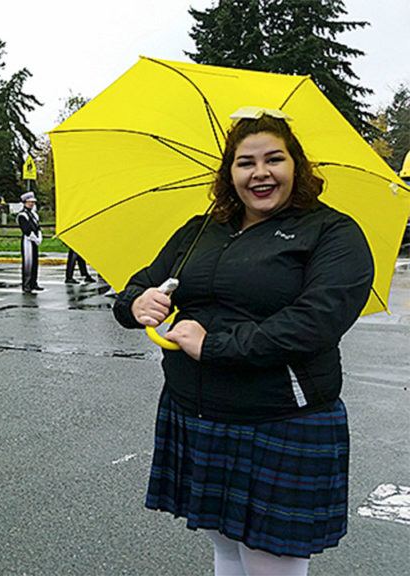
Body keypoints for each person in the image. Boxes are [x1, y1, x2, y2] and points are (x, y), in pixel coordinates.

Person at [112, 112, 373, 576]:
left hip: (279, 418)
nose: (260, 173)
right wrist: (137, 303)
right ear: (229, 173)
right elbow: (140, 285)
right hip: (196, 411)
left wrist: (214, 346)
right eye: (245, 162)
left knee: (270, 559)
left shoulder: (332, 232)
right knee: (226, 546)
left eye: (274, 159)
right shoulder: (199, 230)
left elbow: (314, 323)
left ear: (298, 166)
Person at [16, 192, 43, 294]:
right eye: (29, 202)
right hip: (28, 240)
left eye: (33, 202)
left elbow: (37, 227)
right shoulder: (22, 215)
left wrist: (39, 236)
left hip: (35, 240)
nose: (31, 204)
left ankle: (33, 283)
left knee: (35, 262)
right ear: (25, 202)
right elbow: (26, 230)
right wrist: (34, 238)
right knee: (28, 263)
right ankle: (26, 284)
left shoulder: (34, 214)